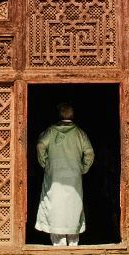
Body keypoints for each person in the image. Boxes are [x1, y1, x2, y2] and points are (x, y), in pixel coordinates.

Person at [35, 102, 95, 247]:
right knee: (73, 205)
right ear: (73, 115)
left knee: (54, 204)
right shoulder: (80, 133)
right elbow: (89, 153)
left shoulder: (50, 131)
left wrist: (45, 163)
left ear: (58, 115)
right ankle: (73, 240)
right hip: (74, 176)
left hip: (54, 174)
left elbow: (40, 145)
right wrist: (83, 168)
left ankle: (58, 241)